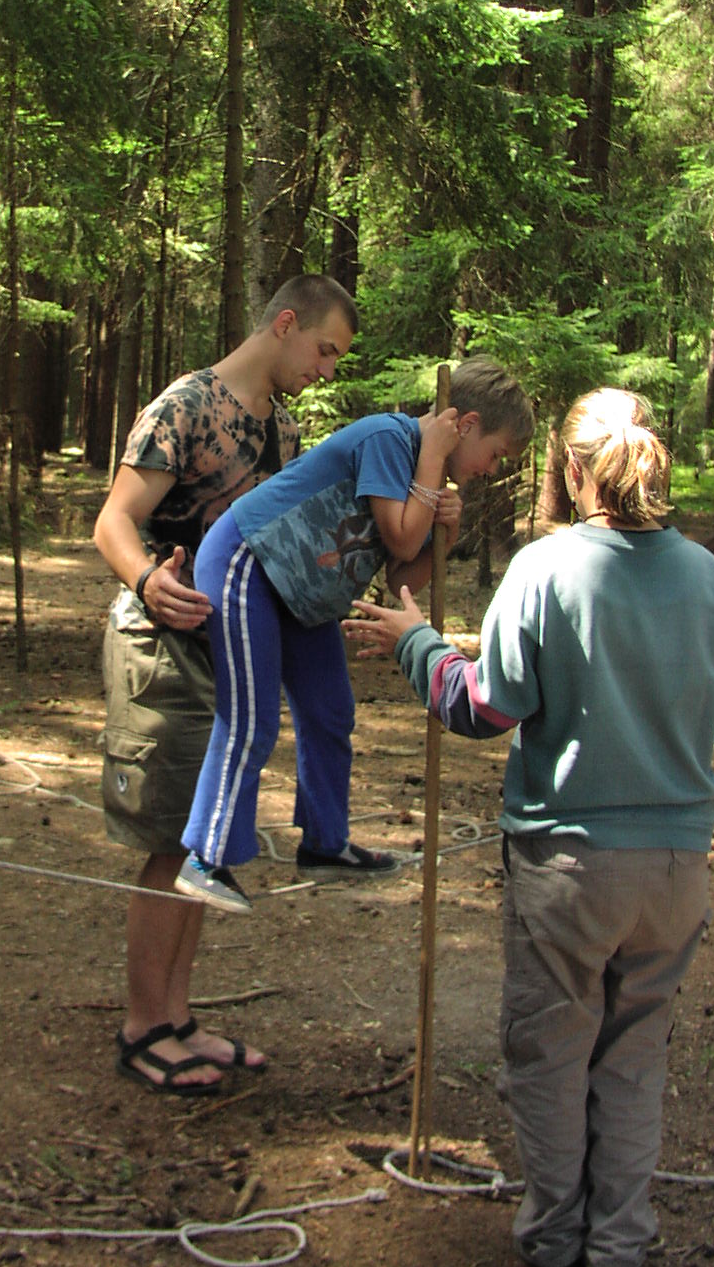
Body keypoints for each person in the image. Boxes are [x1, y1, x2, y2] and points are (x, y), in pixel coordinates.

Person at [346, 388, 714, 1267]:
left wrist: (417, 641)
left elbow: (485, 708)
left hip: (568, 865)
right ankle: (617, 1245)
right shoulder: (705, 575)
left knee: (550, 1055)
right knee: (634, 1056)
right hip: (675, 869)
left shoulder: (544, 569)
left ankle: (552, 1240)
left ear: (574, 470)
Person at [94, 274, 381, 1096]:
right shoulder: (185, 407)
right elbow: (113, 519)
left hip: (231, 654)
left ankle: (177, 1017)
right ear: (285, 324)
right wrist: (148, 579)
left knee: (201, 843)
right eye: (324, 349)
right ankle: (144, 1028)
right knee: (170, 843)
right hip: (162, 648)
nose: (327, 370)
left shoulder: (283, 429)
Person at [176, 357, 535, 913]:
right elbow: (400, 535)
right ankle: (205, 855)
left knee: (330, 710)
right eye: (495, 454)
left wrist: (448, 529)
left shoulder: (427, 477)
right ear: (464, 425)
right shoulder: (388, 439)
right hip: (251, 562)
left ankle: (325, 843)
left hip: (305, 595)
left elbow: (403, 577)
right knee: (251, 717)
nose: (491, 470)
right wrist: (431, 465)